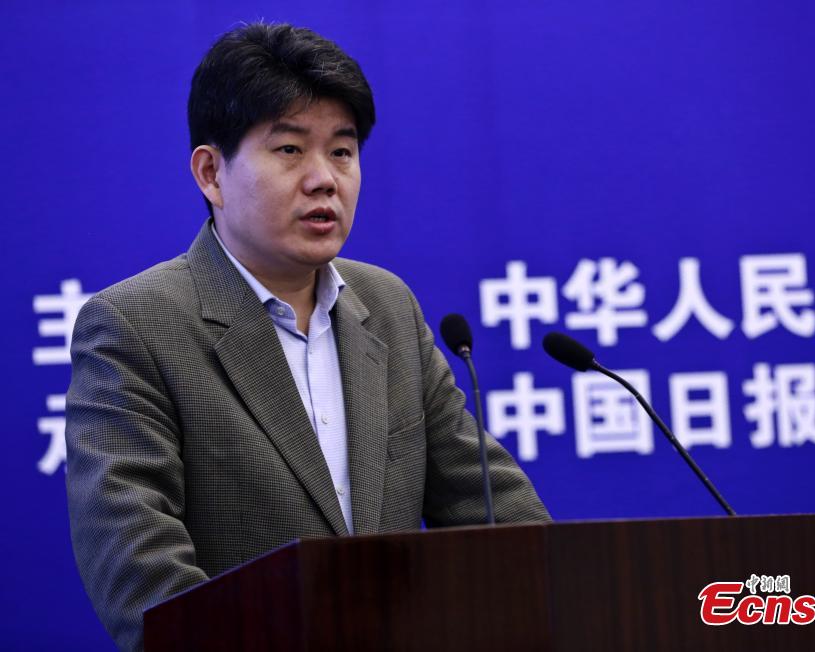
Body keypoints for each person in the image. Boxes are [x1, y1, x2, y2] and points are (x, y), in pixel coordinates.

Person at [65, 22, 550, 652]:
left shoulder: (388, 306)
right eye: (290, 149)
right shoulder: (136, 325)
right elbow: (139, 572)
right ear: (211, 174)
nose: (325, 179)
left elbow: (493, 511)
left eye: (342, 151)